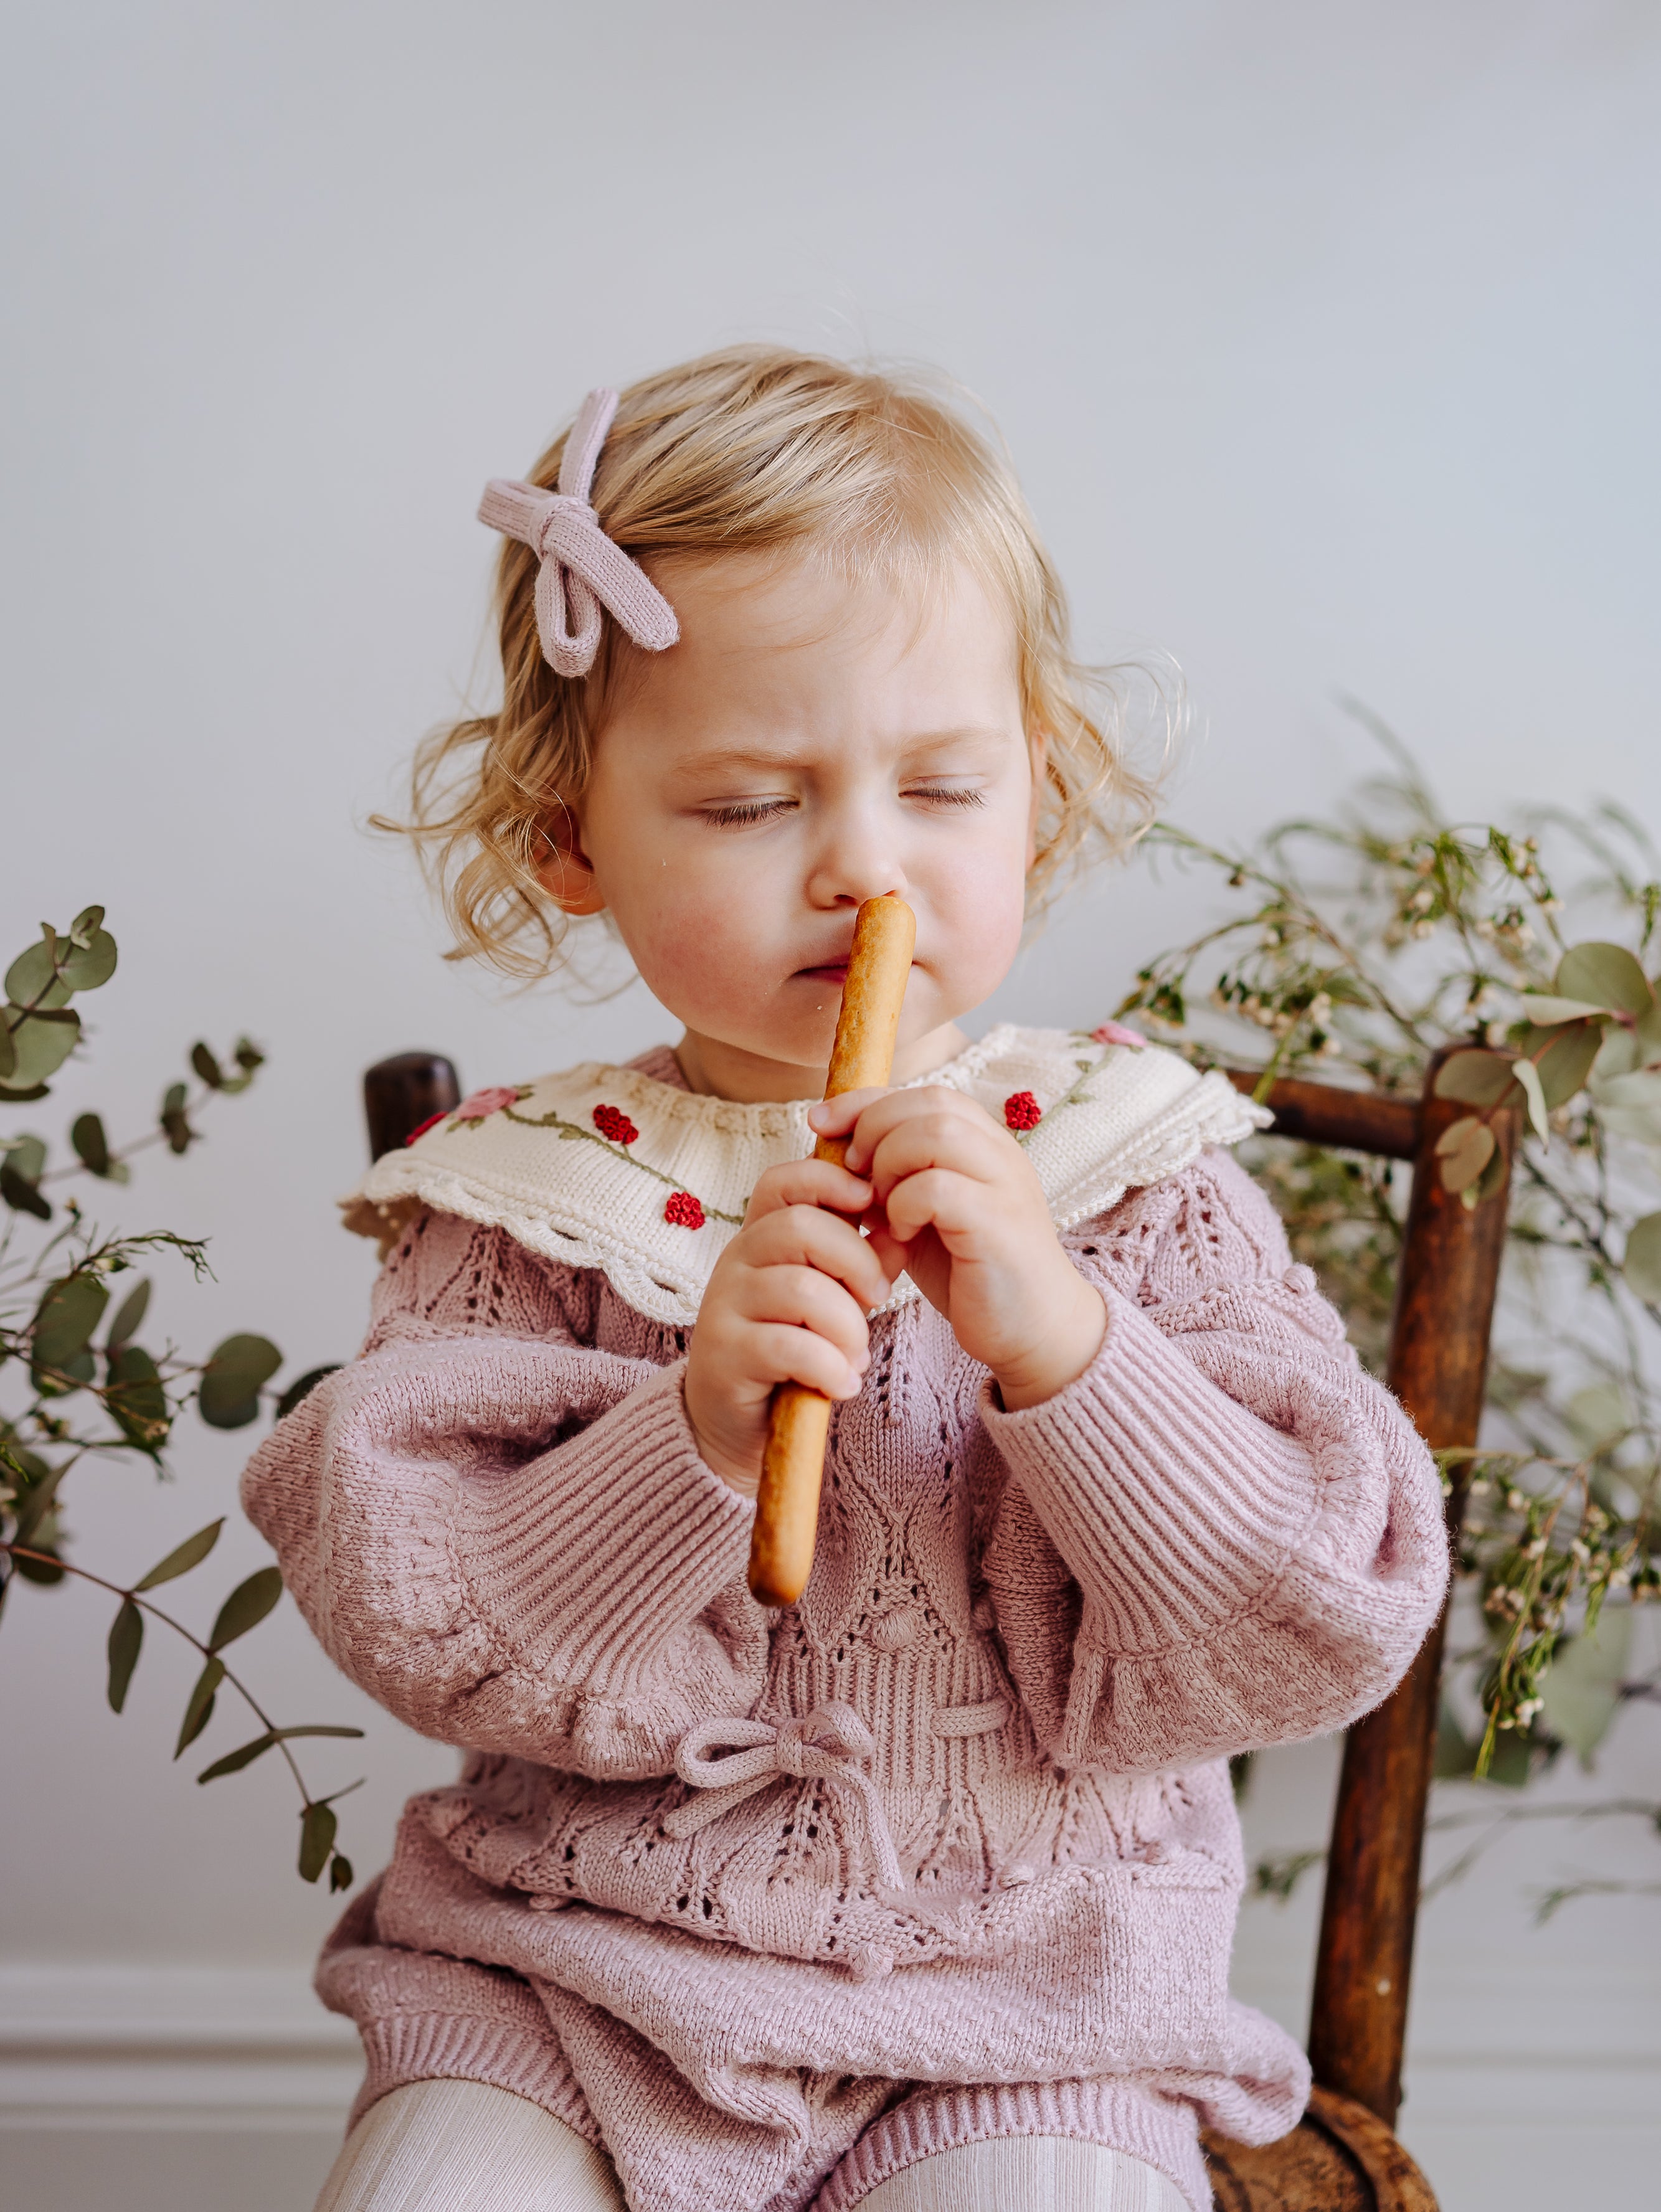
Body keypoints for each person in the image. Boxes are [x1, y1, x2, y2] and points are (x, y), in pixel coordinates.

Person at [244, 348, 1447, 2212]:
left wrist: (1071, 1352)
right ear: (568, 837)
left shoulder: (1134, 1175)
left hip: (1034, 2008)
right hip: (571, 1988)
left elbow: (1313, 1623)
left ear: (1041, 794)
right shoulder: (522, 1203)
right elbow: (423, 1623)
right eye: (746, 803)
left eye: (943, 786)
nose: (862, 864)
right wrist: (689, 1441)